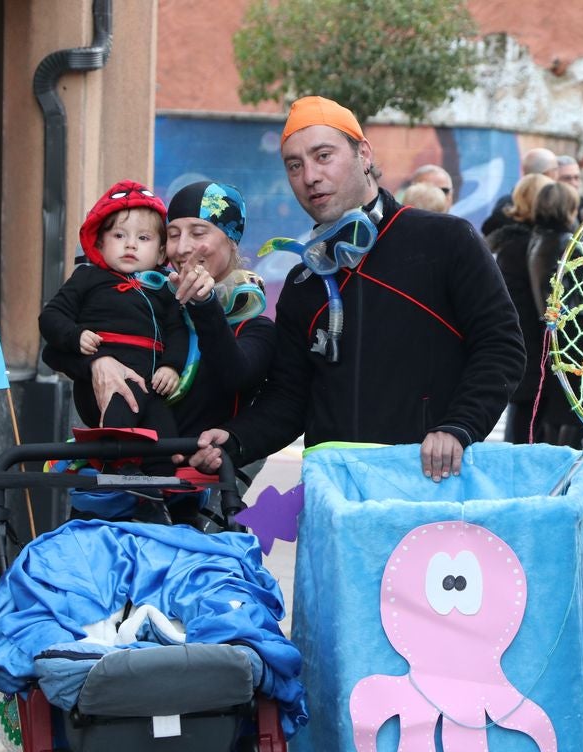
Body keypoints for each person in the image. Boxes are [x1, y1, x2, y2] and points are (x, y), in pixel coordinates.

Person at [185, 95, 525, 482]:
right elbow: (290, 399)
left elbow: (502, 347)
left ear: (364, 154)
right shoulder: (304, 282)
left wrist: (458, 427)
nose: (309, 176)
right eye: (294, 165)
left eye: (323, 156)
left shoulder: (445, 241)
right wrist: (234, 438)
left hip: (432, 485)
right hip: (336, 497)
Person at [43, 180, 276, 481]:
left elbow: (237, 375)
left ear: (231, 240)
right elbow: (53, 350)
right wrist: (98, 362)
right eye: (174, 235)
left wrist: (204, 305)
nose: (182, 248)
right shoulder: (153, 300)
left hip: (203, 490)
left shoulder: (253, 324)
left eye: (198, 233)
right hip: (119, 476)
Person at [39, 180, 187, 473]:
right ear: (99, 243)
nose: (130, 244)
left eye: (143, 238)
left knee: (168, 443)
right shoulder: (87, 278)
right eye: (119, 235)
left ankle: (164, 500)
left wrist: (171, 366)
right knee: (121, 417)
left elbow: (177, 331)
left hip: (151, 386)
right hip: (100, 387)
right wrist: (75, 335)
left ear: (160, 254)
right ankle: (117, 472)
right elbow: (51, 317)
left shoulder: (164, 289)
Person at [526, 180, 583, 446]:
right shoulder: (569, 242)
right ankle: (571, 465)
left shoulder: (537, 239)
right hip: (576, 334)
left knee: (557, 405)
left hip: (552, 332)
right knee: (575, 408)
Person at [486, 173, 555, 442]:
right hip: (532, 341)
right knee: (528, 421)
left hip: (521, 339)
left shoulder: (511, 244)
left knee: (524, 415)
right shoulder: (529, 246)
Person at [480, 147, 561, 237]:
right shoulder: (553, 210)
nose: (558, 173)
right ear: (548, 173)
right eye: (556, 169)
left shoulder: (504, 206)